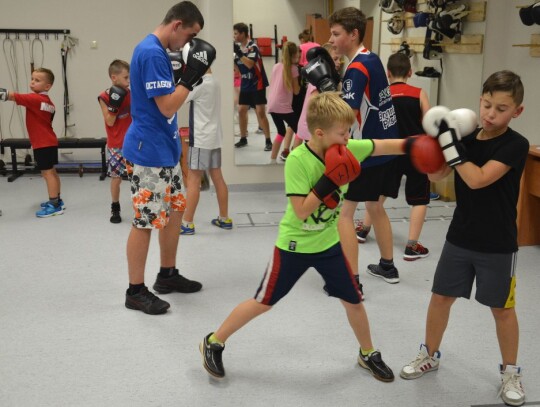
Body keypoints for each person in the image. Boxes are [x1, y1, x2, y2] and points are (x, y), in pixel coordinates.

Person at [199, 92, 421, 381]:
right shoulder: (298, 161)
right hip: (293, 246)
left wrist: (418, 143)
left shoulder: (347, 148)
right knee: (264, 301)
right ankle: (213, 341)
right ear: (320, 133)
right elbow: (302, 210)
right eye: (343, 133)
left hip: (328, 245)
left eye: (349, 132)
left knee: (353, 300)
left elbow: (384, 146)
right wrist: (331, 180)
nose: (348, 138)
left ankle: (367, 353)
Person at [400, 71, 529, 407]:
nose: (490, 114)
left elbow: (478, 179)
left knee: (502, 309)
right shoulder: (467, 137)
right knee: (440, 298)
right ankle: (428, 354)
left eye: (501, 108)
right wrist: (431, 151)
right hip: (460, 236)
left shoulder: (516, 145)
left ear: (517, 111)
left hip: (498, 243)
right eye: (487, 104)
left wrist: (449, 145)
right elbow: (438, 174)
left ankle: (510, 372)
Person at [122, 1, 216, 315]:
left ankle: (167, 274)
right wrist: (191, 76)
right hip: (148, 152)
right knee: (146, 221)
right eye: (189, 36)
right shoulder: (150, 52)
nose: (188, 44)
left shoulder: (160, 50)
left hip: (166, 150)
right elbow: (166, 106)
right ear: (176, 25)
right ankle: (135, 290)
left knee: (175, 213)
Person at [329, 7, 401, 285]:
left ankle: (351, 280)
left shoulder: (356, 70)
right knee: (374, 207)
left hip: (365, 153)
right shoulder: (371, 59)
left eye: (336, 34)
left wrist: (325, 90)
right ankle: (387, 266)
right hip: (384, 149)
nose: (332, 40)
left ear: (353, 33)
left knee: (345, 216)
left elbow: (345, 117)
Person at [355, 52, 431, 261]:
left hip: (389, 151)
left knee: (378, 194)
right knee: (419, 199)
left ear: (388, 73)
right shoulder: (419, 93)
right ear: (410, 72)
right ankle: (412, 246)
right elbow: (429, 123)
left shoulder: (383, 94)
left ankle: (363, 230)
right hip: (416, 152)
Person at [1, 68, 63, 218]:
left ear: (47, 86)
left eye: (37, 80)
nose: (33, 82)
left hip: (43, 143)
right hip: (47, 142)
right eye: (32, 79)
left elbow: (9, 95)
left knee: (47, 173)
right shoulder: (48, 102)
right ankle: (57, 200)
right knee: (51, 172)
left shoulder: (35, 99)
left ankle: (54, 204)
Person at [180, 67, 232, 235]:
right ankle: (224, 219)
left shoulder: (199, 83)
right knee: (218, 177)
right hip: (214, 137)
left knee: (194, 179)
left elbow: (178, 98)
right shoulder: (214, 81)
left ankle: (187, 223)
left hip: (201, 138)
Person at [97, 59, 132, 224]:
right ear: (114, 77)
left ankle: (141, 207)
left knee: (138, 177)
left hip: (134, 142)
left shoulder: (132, 93)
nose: (128, 82)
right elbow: (110, 121)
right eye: (126, 78)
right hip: (116, 144)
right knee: (116, 178)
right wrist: (115, 104)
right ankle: (115, 206)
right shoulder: (104, 97)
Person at [233, 22, 272, 151]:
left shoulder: (252, 47)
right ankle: (243, 138)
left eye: (236, 33)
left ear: (243, 34)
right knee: (241, 110)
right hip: (245, 83)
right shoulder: (237, 49)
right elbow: (238, 70)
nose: (234, 36)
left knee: (260, 112)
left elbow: (250, 64)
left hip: (257, 83)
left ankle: (268, 140)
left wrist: (238, 53)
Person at [267, 41, 301, 164]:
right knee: (301, 131)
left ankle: (272, 160)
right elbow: (297, 91)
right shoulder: (294, 69)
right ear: (294, 55)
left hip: (271, 105)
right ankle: (295, 160)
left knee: (281, 132)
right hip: (283, 106)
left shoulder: (276, 66)